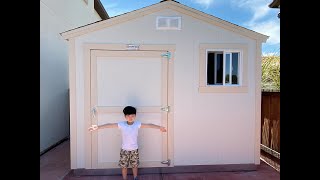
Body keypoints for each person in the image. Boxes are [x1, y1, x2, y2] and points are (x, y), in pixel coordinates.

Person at [88, 106, 167, 180]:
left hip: (134, 150)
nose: (130, 117)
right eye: (128, 116)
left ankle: (135, 178)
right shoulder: (122, 124)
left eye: (132, 116)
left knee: (135, 166)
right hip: (124, 150)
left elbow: (149, 125)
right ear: (125, 116)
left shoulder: (137, 124)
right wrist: (98, 127)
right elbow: (110, 125)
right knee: (124, 166)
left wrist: (160, 127)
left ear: (135, 116)